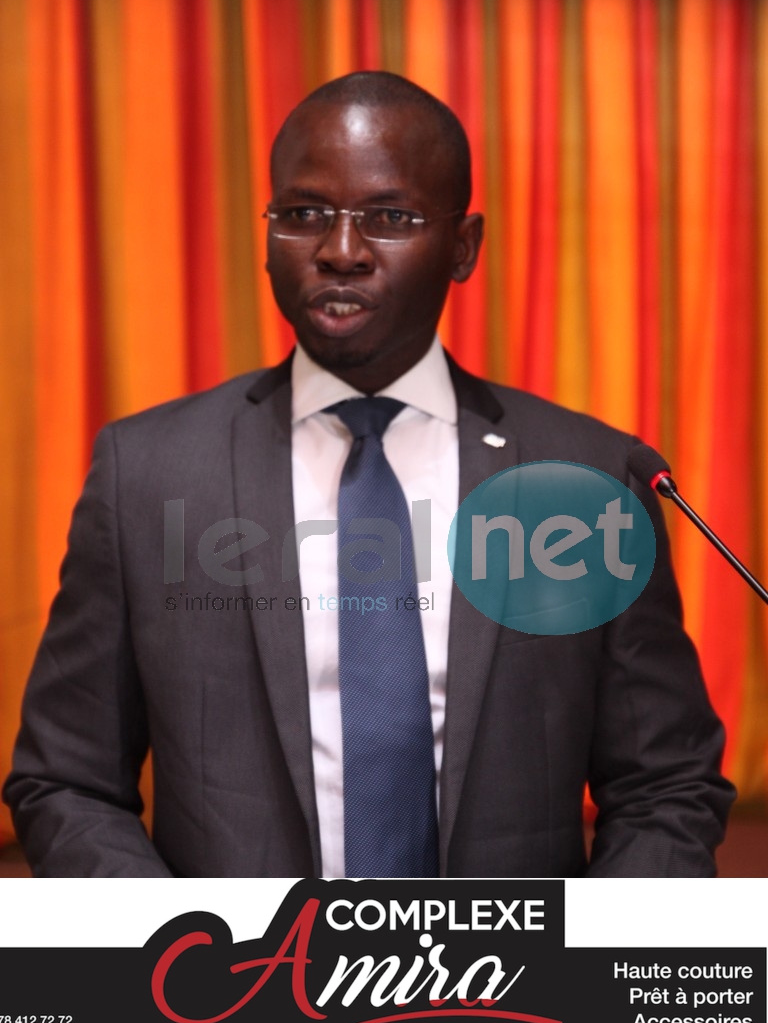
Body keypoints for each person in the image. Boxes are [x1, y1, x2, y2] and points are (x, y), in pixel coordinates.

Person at [4, 71, 734, 877]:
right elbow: (66, 781)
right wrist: (182, 941)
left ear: (463, 247)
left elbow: (666, 787)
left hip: (511, 961)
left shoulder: (585, 481)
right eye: (304, 214)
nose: (340, 251)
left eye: (389, 218)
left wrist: (591, 954)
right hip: (238, 959)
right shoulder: (148, 475)